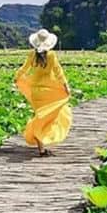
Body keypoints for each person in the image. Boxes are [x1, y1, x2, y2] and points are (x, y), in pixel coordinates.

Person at [14, 28, 72, 156]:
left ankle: (41, 148)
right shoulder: (51, 55)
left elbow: (24, 69)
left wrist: (17, 78)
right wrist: (66, 85)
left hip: (36, 91)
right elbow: (58, 71)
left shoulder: (32, 55)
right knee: (49, 116)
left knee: (39, 116)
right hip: (49, 91)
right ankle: (44, 141)